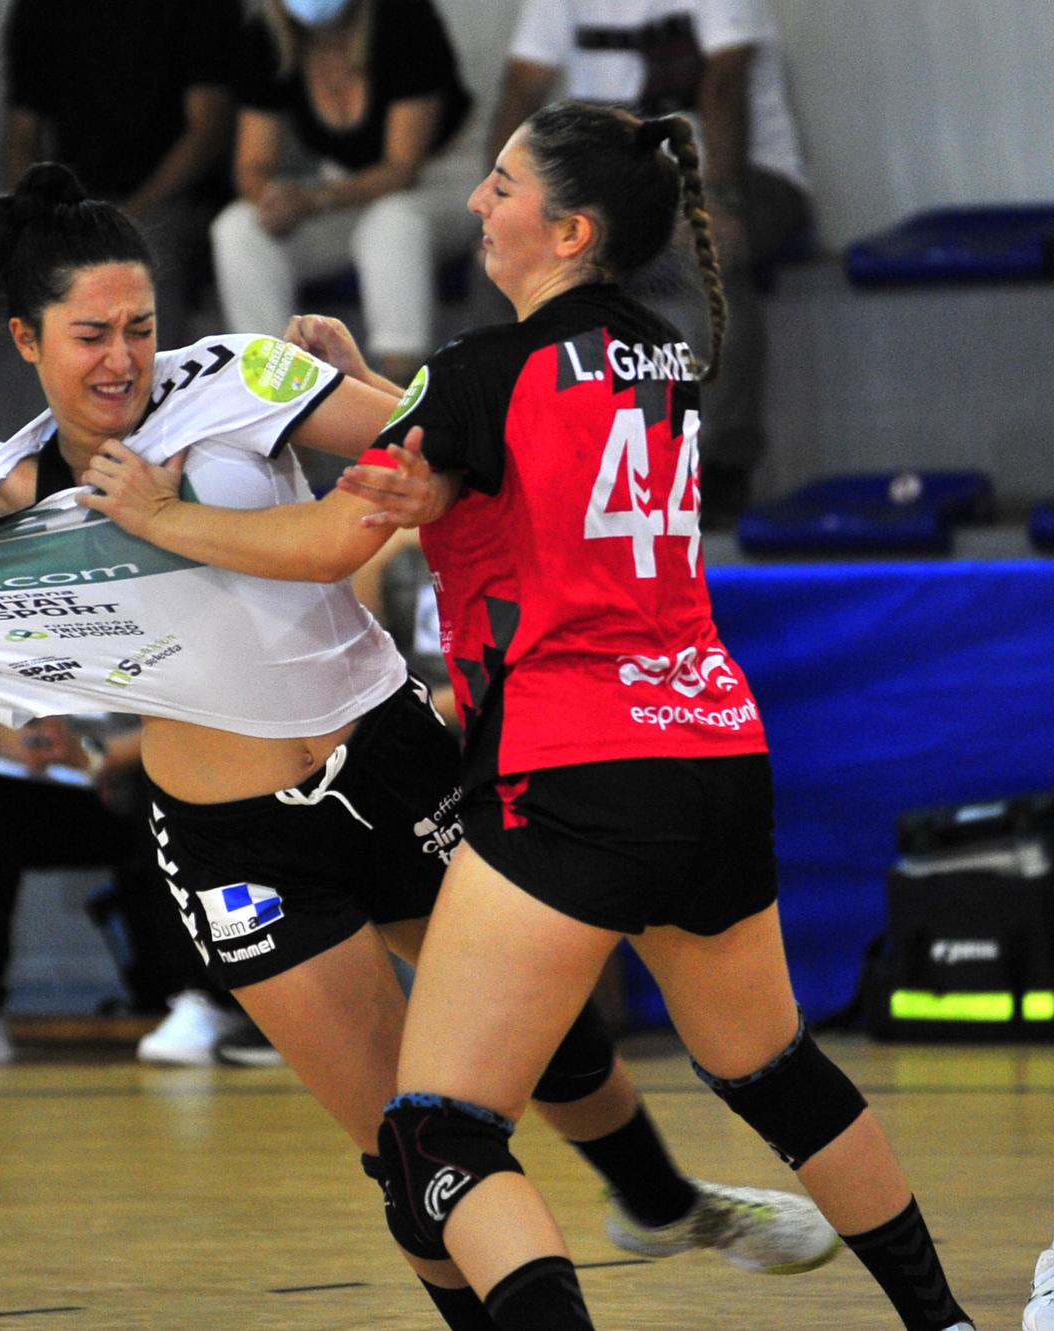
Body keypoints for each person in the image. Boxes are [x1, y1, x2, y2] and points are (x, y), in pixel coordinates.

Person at [0, 163, 835, 1328]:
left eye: (139, 325)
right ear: (25, 339)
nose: (121, 357)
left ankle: (658, 1197)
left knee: (553, 1044)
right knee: (412, 1148)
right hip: (235, 844)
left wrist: (378, 392)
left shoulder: (229, 378)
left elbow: (457, 442)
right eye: (87, 335)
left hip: (384, 758)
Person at [104, 102, 969, 1329]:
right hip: (713, 746)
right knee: (775, 1077)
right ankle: (944, 1322)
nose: (475, 202)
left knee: (433, 1139)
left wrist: (155, 515)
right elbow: (510, 447)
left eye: (500, 186)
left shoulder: (473, 378)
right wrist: (379, 393)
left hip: (571, 771)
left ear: (565, 228)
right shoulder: (657, 349)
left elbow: (320, 543)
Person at [484, 0, 812, 520]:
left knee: (706, 254)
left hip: (746, 174)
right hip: (623, 189)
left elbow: (726, 84)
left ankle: (722, 466)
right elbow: (523, 89)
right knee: (509, 263)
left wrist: (715, 199)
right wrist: (503, 199)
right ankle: (525, 462)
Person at [0, 714, 247, 1069]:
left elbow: (201, 715)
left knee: (166, 782)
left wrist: (99, 754)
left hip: (156, 761)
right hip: (61, 772)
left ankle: (209, 997)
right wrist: (4, 731)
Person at [211, 0, 482, 389]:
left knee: (392, 223)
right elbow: (252, 166)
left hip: (438, 177)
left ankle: (400, 390)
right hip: (341, 190)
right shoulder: (266, 34)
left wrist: (313, 199)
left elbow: (401, 168)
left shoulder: (405, 20)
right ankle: (268, 390)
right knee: (237, 227)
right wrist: (275, 200)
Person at [1, 0, 237, 342]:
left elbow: (208, 131)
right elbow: (23, 137)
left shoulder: (196, 9)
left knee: (138, 263)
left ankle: (156, 390)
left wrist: (128, 216)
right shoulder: (39, 10)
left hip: (176, 197)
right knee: (39, 268)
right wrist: (30, 216)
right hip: (80, 201)